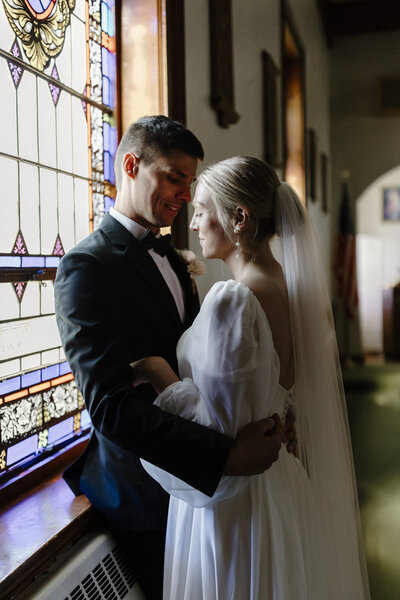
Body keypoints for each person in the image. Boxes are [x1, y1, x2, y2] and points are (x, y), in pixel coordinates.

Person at [54, 117, 291, 600]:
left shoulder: (176, 261)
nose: (185, 195)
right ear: (130, 165)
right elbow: (111, 407)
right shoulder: (87, 267)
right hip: (145, 489)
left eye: (190, 180)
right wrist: (225, 455)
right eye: (173, 176)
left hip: (205, 485)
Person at [132, 156, 371, 599]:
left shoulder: (234, 301)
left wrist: (158, 373)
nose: (195, 221)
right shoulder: (286, 285)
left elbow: (218, 427)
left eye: (202, 209)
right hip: (278, 487)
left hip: (232, 501)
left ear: (239, 218)